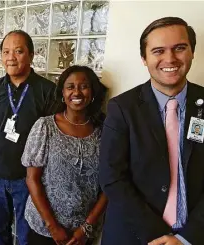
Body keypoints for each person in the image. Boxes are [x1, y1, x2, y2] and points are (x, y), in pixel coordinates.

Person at [99, 17, 204, 245]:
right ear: (144, 59)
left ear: (192, 52)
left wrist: (186, 238)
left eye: (179, 48)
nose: (170, 59)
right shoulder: (122, 108)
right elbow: (112, 177)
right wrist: (160, 236)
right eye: (158, 51)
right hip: (135, 235)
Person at [0, 30, 57, 245]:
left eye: (18, 51)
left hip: (30, 180)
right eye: (6, 51)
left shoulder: (47, 91)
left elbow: (53, 139)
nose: (11, 57)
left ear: (31, 55)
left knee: (26, 236)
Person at [22, 65, 108, 245]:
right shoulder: (45, 127)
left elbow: (109, 184)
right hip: (44, 229)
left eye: (84, 86)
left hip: (83, 233)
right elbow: (32, 179)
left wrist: (86, 228)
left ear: (92, 92)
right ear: (62, 92)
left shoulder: (104, 131)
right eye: (70, 87)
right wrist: (52, 226)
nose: (77, 92)